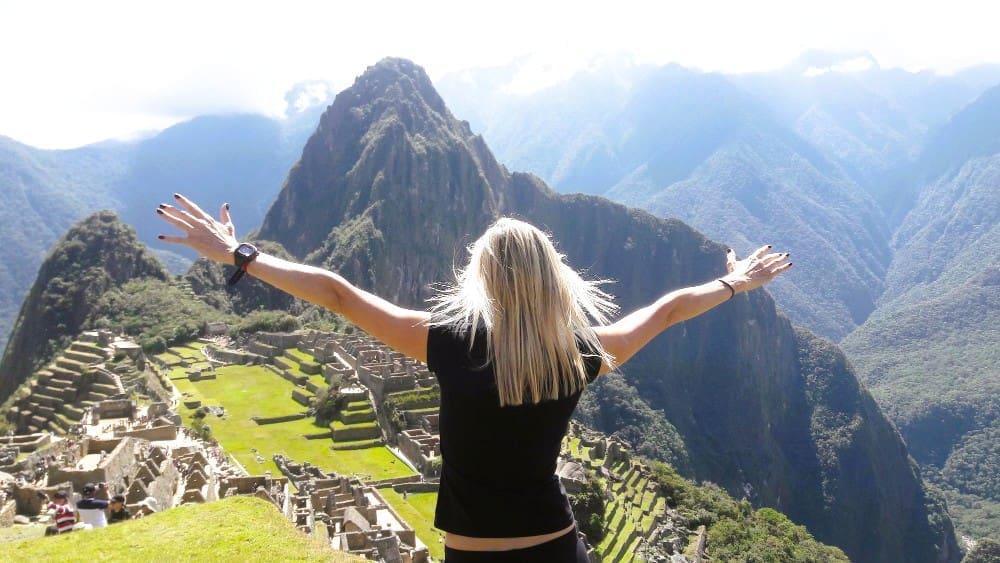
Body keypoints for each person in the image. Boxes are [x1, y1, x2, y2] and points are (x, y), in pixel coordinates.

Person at [156, 194, 790, 562]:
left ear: (483, 278)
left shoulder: (449, 344)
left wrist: (238, 254)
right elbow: (672, 308)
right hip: (554, 544)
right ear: (553, 274)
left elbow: (337, 295)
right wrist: (735, 282)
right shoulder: (579, 354)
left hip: (470, 552)